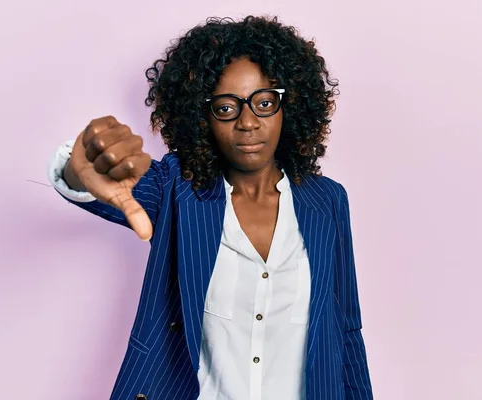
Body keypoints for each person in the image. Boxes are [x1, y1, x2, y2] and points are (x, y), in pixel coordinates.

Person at [47, 15, 373, 400]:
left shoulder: (328, 200)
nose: (248, 123)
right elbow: (104, 182)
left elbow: (345, 328)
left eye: (264, 103)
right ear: (202, 117)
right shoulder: (177, 190)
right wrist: (79, 163)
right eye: (226, 108)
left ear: (291, 107)